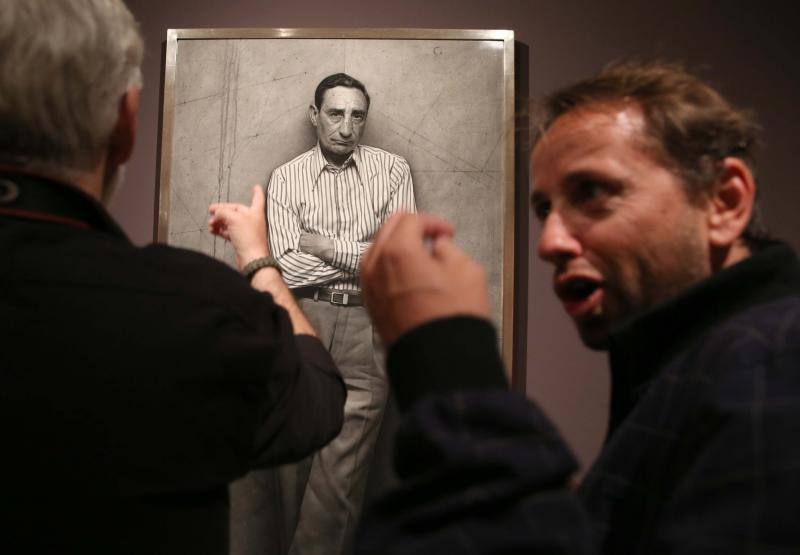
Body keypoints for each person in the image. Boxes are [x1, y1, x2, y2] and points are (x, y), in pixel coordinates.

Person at [354, 61, 800, 553]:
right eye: (545, 209)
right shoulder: (704, 365)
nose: (549, 242)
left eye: (592, 192)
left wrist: (449, 357)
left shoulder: (778, 357)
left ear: (724, 202)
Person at [0, 1, 345, 553]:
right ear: (125, 123)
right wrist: (260, 261)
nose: (346, 126)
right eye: (336, 113)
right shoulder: (194, 306)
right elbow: (318, 402)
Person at [264, 73, 417, 554]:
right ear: (315, 115)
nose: (347, 127)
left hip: (367, 327)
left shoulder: (392, 171)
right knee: (290, 466)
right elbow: (287, 265)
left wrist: (328, 247)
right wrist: (362, 253)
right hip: (301, 321)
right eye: (335, 113)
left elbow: (401, 257)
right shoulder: (287, 178)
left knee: (341, 473)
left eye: (357, 115)